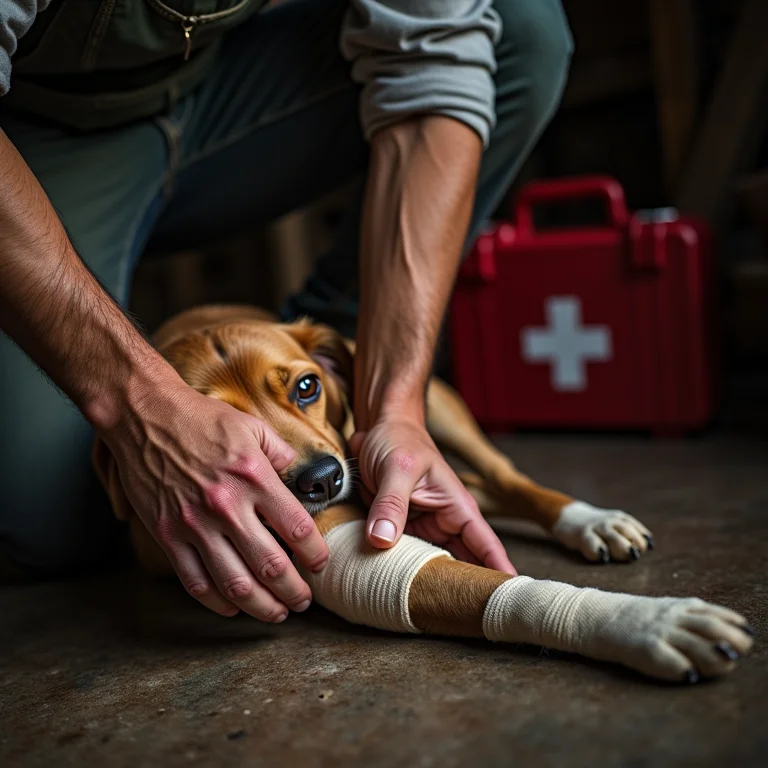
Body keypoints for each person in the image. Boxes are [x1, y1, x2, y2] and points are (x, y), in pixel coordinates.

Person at [0, 0, 572, 620]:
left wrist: (394, 405)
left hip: (229, 92)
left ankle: (337, 356)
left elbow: (438, 50)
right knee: (43, 524)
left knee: (518, 30)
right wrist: (136, 402)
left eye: (300, 388)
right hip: (36, 143)